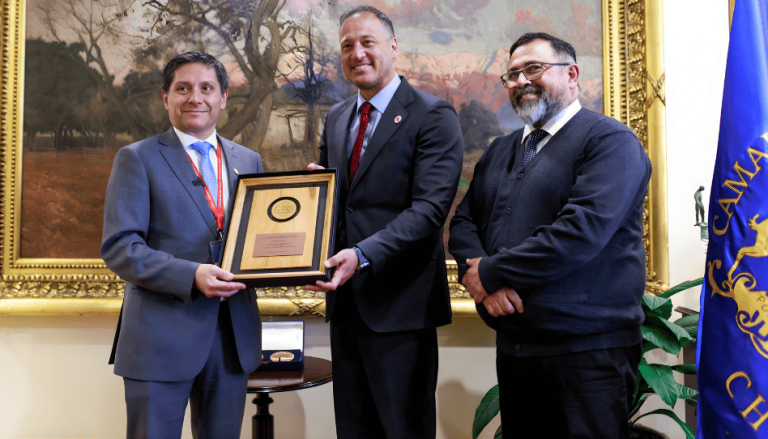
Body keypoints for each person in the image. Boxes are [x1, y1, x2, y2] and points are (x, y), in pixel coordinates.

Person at [449, 33, 651, 439]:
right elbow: (463, 222)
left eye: (534, 69)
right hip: (516, 352)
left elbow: (580, 232)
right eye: (512, 74)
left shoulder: (611, 143)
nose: (521, 81)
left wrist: (490, 273)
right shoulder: (500, 150)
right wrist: (483, 280)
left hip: (588, 356)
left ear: (572, 74)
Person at [305, 5, 463, 439]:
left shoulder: (433, 115)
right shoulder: (338, 118)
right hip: (347, 306)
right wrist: (311, 231)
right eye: (347, 46)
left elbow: (429, 210)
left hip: (401, 306)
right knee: (354, 430)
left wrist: (360, 255)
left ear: (393, 47)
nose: (357, 53)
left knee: (403, 430)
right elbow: (340, 204)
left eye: (368, 42)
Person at [101, 51, 263, 439]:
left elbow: (258, 240)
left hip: (231, 340)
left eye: (207, 88)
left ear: (223, 97)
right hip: (160, 339)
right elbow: (121, 247)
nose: (196, 97)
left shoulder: (249, 160)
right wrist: (191, 275)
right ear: (165, 97)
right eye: (183, 88)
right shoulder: (137, 158)